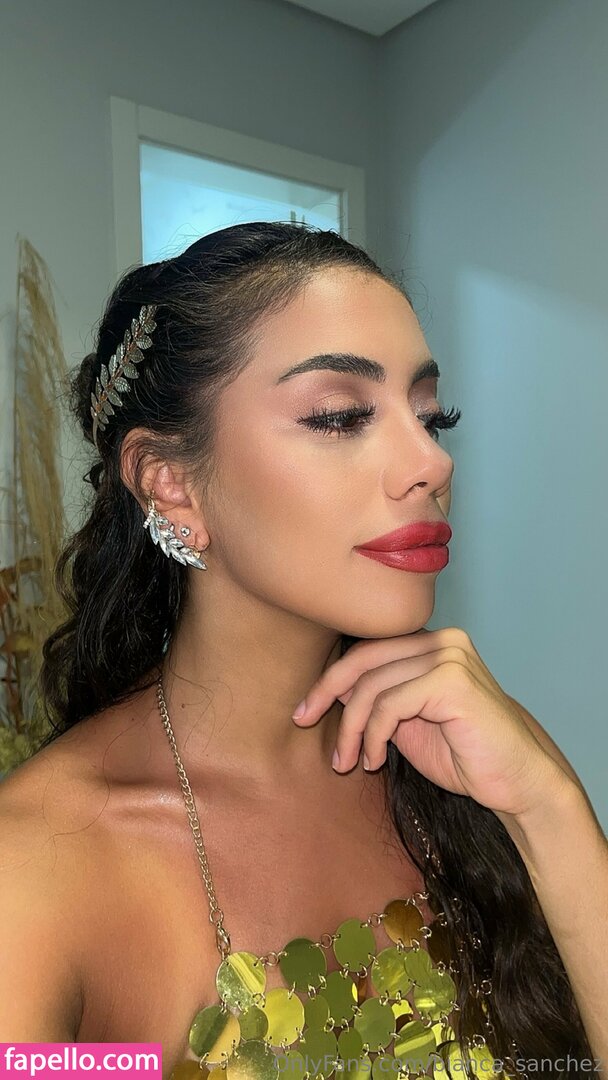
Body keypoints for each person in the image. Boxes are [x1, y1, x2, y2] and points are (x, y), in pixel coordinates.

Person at [0, 222, 605, 1080]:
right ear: (171, 483)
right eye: (340, 416)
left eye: (432, 417)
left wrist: (551, 812)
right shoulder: (36, 867)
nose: (431, 463)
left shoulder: (474, 758)